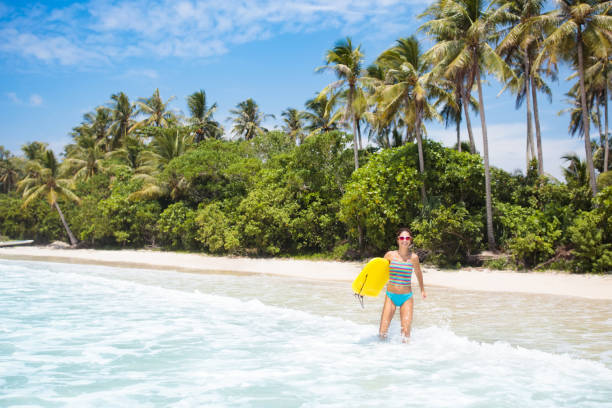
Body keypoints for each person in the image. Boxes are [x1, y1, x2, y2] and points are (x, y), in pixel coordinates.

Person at [379, 227, 426, 340]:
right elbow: (379, 272)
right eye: (402, 237)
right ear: (398, 240)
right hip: (391, 296)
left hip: (406, 298)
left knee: (405, 334)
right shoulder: (389, 255)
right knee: (382, 332)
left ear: (410, 240)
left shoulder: (414, 258)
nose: (404, 240)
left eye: (407, 238)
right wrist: (367, 288)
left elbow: (419, 273)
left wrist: (422, 290)